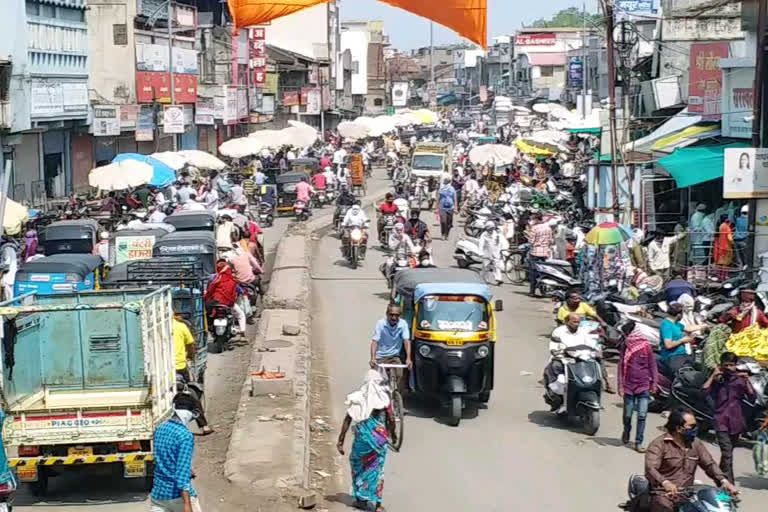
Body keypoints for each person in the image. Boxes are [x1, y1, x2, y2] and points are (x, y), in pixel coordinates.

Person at [645, 408, 738, 512]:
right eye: (691, 426)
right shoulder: (659, 444)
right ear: (679, 428)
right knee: (663, 507)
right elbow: (651, 469)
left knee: (724, 502)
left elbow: (709, 464)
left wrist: (724, 481)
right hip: (664, 493)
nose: (695, 429)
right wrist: (665, 483)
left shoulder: (695, 443)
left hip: (688, 493)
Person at [336, 370, 397, 512]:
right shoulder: (384, 399)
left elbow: (348, 419)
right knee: (378, 469)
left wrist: (340, 440)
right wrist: (392, 435)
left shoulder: (359, 398)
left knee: (358, 465)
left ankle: (361, 499)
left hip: (362, 441)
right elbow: (392, 418)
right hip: (379, 441)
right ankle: (377, 504)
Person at [702, 351, 755, 482]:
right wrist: (713, 375)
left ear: (735, 365)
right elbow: (703, 391)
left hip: (736, 422)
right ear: (721, 365)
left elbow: (752, 397)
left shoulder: (740, 380)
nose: (729, 368)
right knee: (727, 454)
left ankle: (719, 479)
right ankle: (729, 488)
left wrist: (747, 380)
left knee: (727, 454)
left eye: (731, 365)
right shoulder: (718, 380)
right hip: (720, 421)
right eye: (726, 365)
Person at [618, 320, 658, 453]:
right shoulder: (625, 346)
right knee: (628, 415)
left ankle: (638, 442)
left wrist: (654, 383)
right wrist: (620, 385)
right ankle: (626, 430)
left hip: (643, 385)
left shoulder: (646, 346)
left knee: (642, 415)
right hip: (628, 386)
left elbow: (652, 365)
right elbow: (620, 365)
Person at [370, 304, 412, 393]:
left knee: (400, 376)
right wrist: (373, 358)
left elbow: (406, 341)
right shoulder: (381, 324)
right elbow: (375, 341)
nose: (394, 317)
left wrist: (408, 359)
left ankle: (396, 396)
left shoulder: (403, 324)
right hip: (380, 357)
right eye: (391, 314)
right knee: (377, 382)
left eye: (397, 315)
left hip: (394, 357)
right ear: (387, 314)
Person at [204, 260, 246, 336]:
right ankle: (242, 332)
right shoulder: (231, 281)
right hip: (228, 304)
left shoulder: (216, 279)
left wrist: (207, 300)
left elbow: (209, 291)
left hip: (215, 303)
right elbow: (235, 293)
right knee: (241, 315)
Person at [659, 303, 698, 377]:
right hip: (673, 357)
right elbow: (668, 345)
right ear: (678, 315)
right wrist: (682, 340)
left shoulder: (676, 323)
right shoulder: (666, 325)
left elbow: (688, 328)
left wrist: (703, 326)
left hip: (682, 355)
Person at [528, 213, 553, 297]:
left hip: (535, 251)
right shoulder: (548, 228)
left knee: (533, 272)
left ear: (536, 219)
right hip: (545, 252)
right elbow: (550, 240)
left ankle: (532, 291)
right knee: (544, 271)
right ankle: (543, 290)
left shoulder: (534, 228)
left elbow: (531, 241)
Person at [478, 221, 504, 285]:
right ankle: (485, 279)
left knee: (496, 266)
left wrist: (500, 251)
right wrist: (480, 252)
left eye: (492, 228)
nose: (490, 230)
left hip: (495, 252)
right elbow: (481, 244)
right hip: (487, 252)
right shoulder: (484, 234)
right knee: (485, 266)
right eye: (489, 228)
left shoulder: (497, 234)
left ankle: (498, 278)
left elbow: (500, 243)